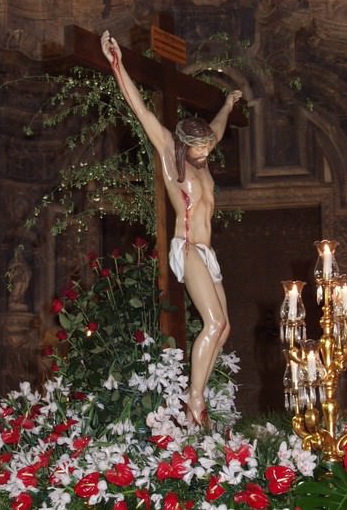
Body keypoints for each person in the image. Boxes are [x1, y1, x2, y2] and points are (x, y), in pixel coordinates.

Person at [100, 30, 243, 429]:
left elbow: (217, 127)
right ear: (183, 145)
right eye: (200, 148)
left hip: (207, 253)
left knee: (224, 328)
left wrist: (228, 104)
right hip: (187, 247)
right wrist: (117, 63)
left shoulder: (202, 158)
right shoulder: (170, 154)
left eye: (208, 147)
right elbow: (141, 110)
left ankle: (198, 394)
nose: (206, 152)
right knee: (213, 323)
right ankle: (194, 400)